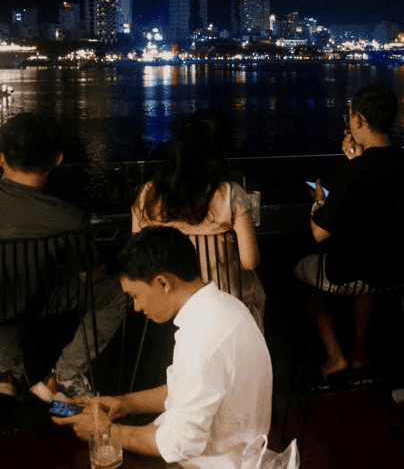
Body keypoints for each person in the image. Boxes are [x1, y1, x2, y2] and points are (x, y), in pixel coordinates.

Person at [53, 225, 273, 467]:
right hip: (236, 447)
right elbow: (189, 390)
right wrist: (124, 403)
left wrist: (107, 431)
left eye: (135, 295)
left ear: (163, 283)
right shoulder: (225, 306)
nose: (136, 307)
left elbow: (181, 444)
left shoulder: (200, 340)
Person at [294, 84, 404, 384]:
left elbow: (319, 235)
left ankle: (335, 356)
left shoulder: (353, 174)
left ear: (359, 121)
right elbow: (381, 189)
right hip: (400, 269)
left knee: (304, 281)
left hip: (348, 272)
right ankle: (360, 354)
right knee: (369, 281)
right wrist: (357, 161)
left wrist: (318, 204)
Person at [0, 113, 125, 402]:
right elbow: (91, 276)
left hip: (4, 302)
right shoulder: (69, 218)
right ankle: (64, 375)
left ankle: (6, 375)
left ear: (2, 158)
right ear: (57, 159)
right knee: (118, 292)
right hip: (44, 301)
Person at [131, 111, 265, 330]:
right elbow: (250, 261)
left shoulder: (149, 195)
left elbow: (138, 254)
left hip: (171, 306)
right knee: (257, 292)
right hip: (227, 303)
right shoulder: (230, 194)